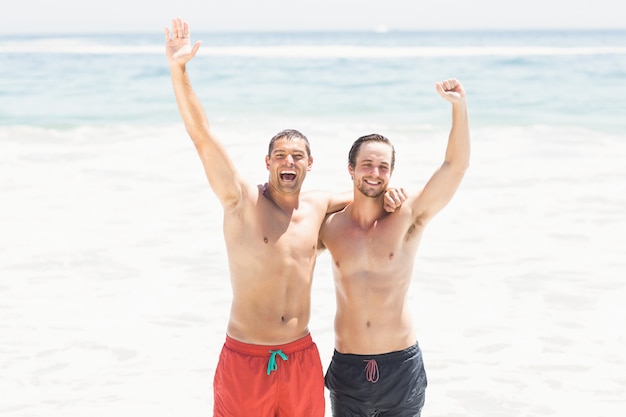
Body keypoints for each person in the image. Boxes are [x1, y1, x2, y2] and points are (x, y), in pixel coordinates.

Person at [164, 18, 404, 417]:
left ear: (310, 164)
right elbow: (203, 137)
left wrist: (395, 192)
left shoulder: (318, 205)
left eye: (296, 156)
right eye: (280, 155)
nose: (288, 161)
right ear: (267, 163)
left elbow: (369, 192)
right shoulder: (241, 202)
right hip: (246, 358)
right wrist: (179, 69)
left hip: (300, 356)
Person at [318, 78, 470, 416]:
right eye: (367, 165)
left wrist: (459, 108)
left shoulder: (408, 216)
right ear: (351, 169)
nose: (375, 173)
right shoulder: (328, 226)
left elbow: (454, 167)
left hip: (400, 366)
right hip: (348, 368)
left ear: (392, 173)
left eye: (383, 167)